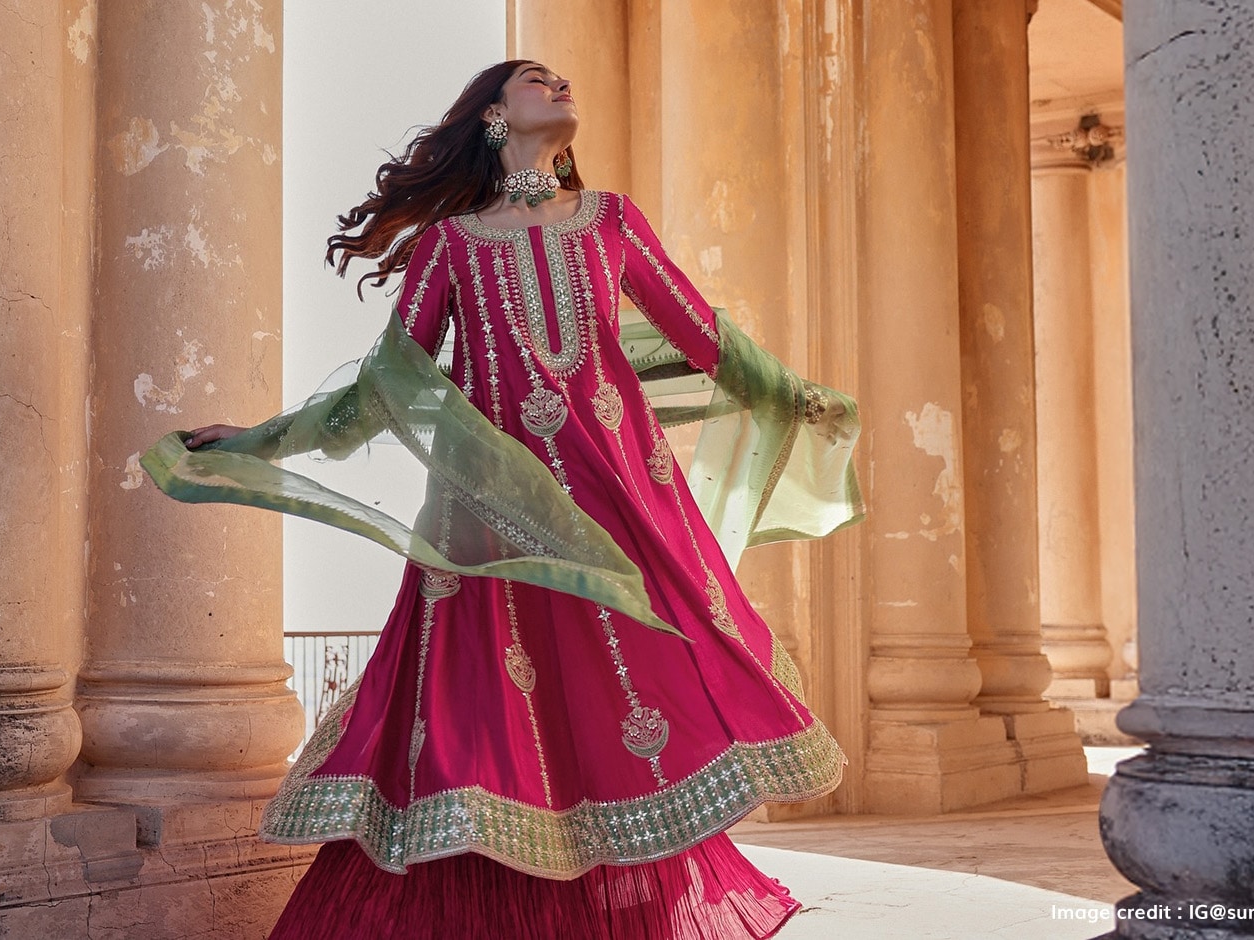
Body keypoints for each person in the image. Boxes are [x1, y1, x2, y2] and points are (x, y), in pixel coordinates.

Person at [151, 59, 863, 940]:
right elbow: (384, 387)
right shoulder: (450, 246)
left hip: (617, 501)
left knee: (621, 690)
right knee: (485, 699)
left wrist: (797, 398)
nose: (561, 84)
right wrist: (261, 439)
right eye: (536, 79)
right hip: (489, 520)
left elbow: (702, 333)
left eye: (563, 79)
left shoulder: (612, 220)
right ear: (494, 115)